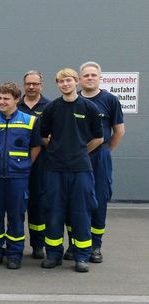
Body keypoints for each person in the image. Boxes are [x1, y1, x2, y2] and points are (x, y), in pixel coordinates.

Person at [38, 68, 103, 273]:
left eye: (68, 80)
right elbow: (43, 137)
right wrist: (59, 151)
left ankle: (81, 256)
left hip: (81, 169)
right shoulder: (51, 108)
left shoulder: (89, 107)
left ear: (76, 82)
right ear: (57, 84)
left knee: (81, 213)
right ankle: (54, 255)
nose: (65, 84)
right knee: (54, 213)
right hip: (55, 169)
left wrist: (80, 152)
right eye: (60, 81)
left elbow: (98, 138)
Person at [0, 82, 41, 269]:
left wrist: (24, 165)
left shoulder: (30, 121)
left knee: (16, 216)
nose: (1, 102)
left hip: (18, 177)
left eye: (6, 98)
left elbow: (36, 147)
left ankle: (15, 254)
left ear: (16, 99)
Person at [75, 61, 125, 264]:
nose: (89, 78)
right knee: (76, 201)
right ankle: (77, 244)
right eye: (86, 75)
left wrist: (104, 151)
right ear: (79, 79)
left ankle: (95, 245)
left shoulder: (110, 100)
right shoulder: (72, 99)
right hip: (76, 158)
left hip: (100, 158)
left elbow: (119, 131)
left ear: (99, 78)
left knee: (99, 200)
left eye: (93, 75)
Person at [17, 70, 50, 259]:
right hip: (17, 163)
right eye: (28, 83)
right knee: (17, 206)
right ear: (24, 85)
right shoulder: (15, 104)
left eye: (35, 84)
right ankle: (17, 244)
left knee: (38, 206)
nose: (31, 87)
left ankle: (38, 245)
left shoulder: (50, 106)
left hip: (40, 164)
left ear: (41, 86)